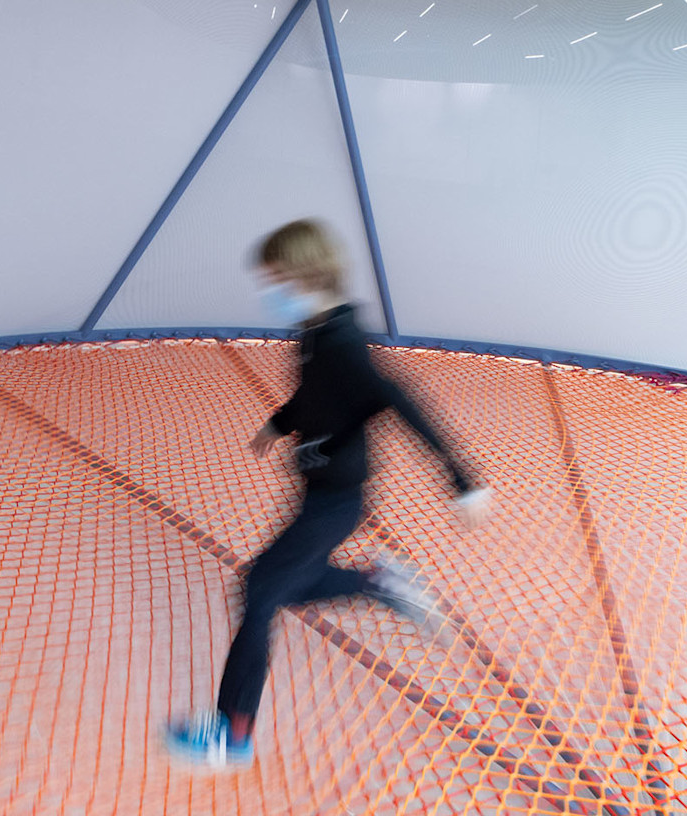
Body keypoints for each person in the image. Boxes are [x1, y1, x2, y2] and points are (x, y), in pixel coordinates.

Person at [164, 219, 491, 772]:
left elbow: (399, 400)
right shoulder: (317, 332)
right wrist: (280, 422)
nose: (268, 290)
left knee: (261, 592)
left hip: (336, 501)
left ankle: (232, 734)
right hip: (320, 489)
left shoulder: (343, 344)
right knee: (289, 586)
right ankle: (378, 583)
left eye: (275, 278)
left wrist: (462, 480)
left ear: (306, 274)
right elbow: (314, 392)